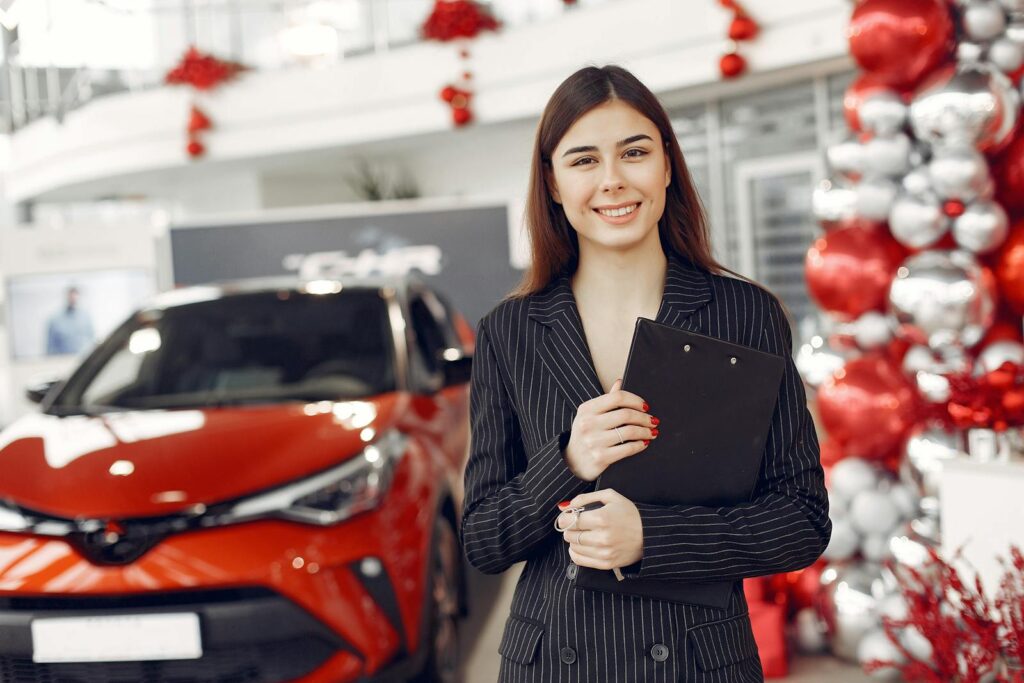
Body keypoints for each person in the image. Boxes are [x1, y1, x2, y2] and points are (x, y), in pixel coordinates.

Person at [460, 65, 830, 682]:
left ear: (666, 165)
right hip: (554, 663)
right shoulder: (511, 330)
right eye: (583, 160)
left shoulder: (744, 314)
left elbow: (800, 520)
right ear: (551, 183)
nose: (612, 180)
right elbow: (482, 540)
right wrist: (568, 460)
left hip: (697, 663)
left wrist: (651, 538)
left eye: (634, 152)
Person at [45, 286, 95, 355]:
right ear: (67, 296)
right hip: (62, 360)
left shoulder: (85, 317)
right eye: (71, 295)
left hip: (82, 358)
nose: (73, 298)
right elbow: (50, 346)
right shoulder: (55, 319)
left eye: (75, 295)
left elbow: (91, 340)